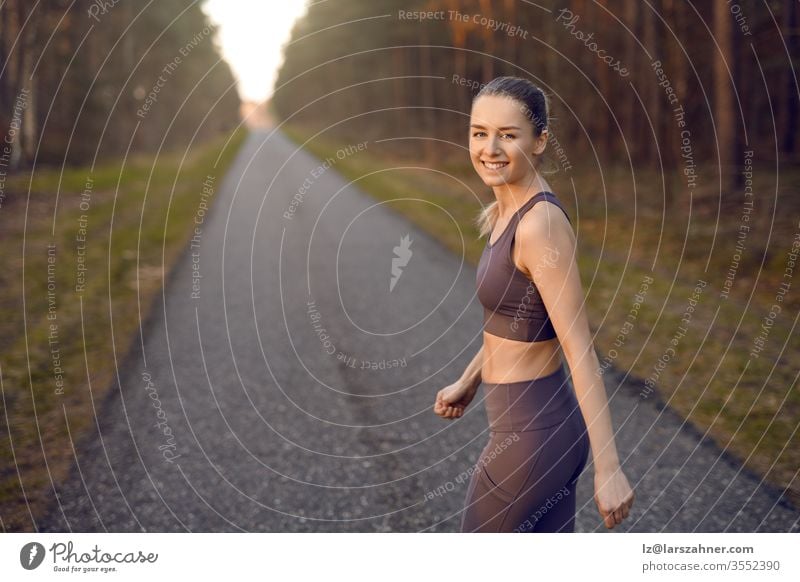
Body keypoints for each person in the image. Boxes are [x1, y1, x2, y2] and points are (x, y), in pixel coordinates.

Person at [433, 76, 634, 532]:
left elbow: (579, 347)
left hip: (532, 437)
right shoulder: (506, 210)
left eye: (508, 135)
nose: (490, 148)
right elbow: (517, 322)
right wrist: (469, 379)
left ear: (540, 140)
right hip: (535, 431)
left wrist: (609, 468)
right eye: (479, 133)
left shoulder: (538, 225)